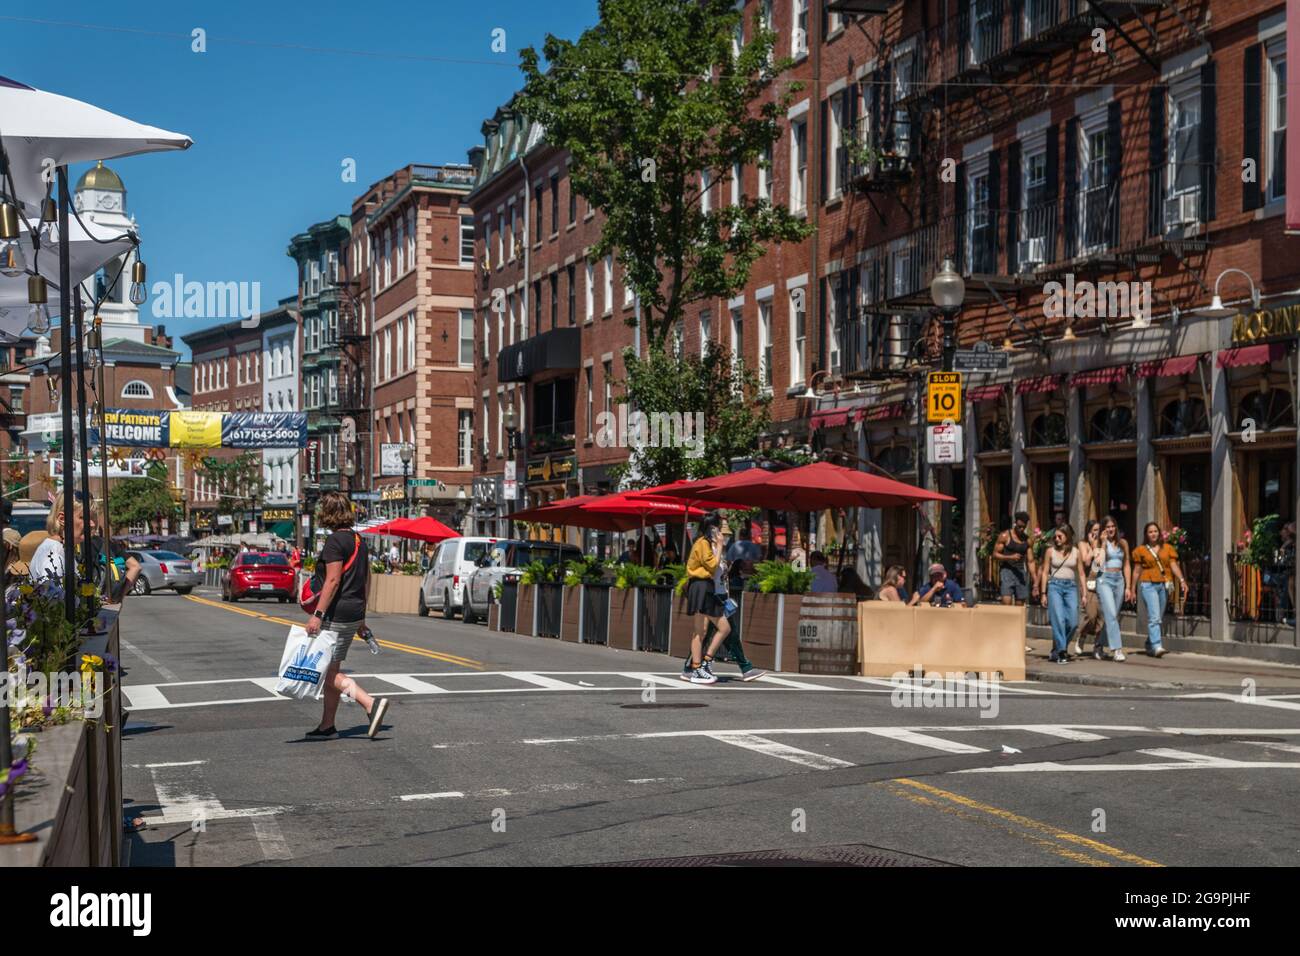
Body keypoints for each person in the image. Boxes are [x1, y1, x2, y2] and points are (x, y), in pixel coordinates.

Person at [304, 491, 390, 739]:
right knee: (333, 668)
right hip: (353, 611)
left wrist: (317, 614)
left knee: (326, 673)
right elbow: (366, 579)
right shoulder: (358, 540)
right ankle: (327, 725)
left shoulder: (334, 542)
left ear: (328, 513)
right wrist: (362, 618)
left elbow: (332, 581)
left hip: (336, 613)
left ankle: (370, 704)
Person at [682, 514, 731, 685]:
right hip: (702, 586)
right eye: (717, 527)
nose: (719, 531)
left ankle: (698, 667)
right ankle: (702, 665)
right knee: (722, 627)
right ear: (712, 528)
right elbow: (712, 566)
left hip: (701, 587)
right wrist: (719, 544)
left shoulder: (702, 542)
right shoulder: (703, 543)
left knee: (700, 631)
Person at [1130, 522, 1187, 658]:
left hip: (1164, 585)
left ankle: (1149, 644)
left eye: (1155, 531)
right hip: (1148, 584)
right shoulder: (1141, 550)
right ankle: (1156, 646)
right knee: (1154, 617)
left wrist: (1182, 580)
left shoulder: (1167, 548)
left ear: (1159, 533)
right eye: (1150, 532)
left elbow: (1173, 565)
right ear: (1146, 534)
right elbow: (1137, 571)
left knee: (1158, 616)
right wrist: (1132, 589)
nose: (1153, 534)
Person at [1038, 525, 1086, 663]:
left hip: (1071, 587)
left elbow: (1081, 573)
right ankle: (1062, 652)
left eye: (1060, 536)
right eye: (1056, 536)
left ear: (1068, 537)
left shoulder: (1076, 552)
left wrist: (1084, 593)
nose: (1057, 539)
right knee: (1058, 620)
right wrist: (1043, 593)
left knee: (1073, 622)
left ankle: (1057, 649)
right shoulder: (1050, 551)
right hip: (1054, 587)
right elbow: (1045, 572)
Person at [1094, 514, 1131, 662]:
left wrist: (1128, 587)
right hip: (1104, 580)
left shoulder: (1123, 543)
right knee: (1111, 614)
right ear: (1103, 529)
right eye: (1107, 527)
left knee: (1112, 616)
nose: (1110, 529)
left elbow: (1127, 564)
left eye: (1112, 526)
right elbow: (1098, 564)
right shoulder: (1098, 544)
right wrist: (1103, 543)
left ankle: (1098, 645)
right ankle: (1117, 649)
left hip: (1119, 580)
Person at [993, 511, 1036, 606]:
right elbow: (995, 554)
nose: (1021, 529)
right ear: (1015, 523)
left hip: (1020, 571)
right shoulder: (1005, 536)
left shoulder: (1027, 540)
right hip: (1006, 570)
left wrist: (1035, 580)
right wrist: (1009, 557)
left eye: (1023, 527)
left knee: (1020, 604)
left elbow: (1031, 561)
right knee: (1006, 602)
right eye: (1019, 526)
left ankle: (1017, 621)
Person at [1075, 519, 1104, 657]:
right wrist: (1093, 546)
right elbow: (1086, 562)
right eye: (1094, 530)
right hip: (1089, 581)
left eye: (1099, 530)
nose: (1097, 533)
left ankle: (1098, 647)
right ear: (1089, 531)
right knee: (1091, 614)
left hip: (1102, 581)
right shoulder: (1083, 544)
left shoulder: (1103, 544)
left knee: (1102, 617)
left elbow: (1101, 564)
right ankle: (1081, 636)